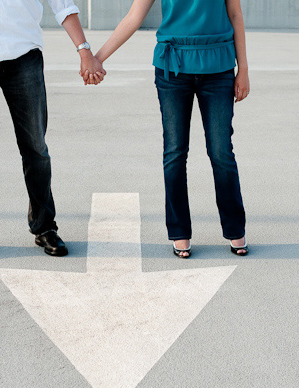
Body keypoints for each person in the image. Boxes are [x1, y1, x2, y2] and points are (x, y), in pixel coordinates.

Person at [0, 0, 105, 262]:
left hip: (23, 59)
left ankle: (44, 227)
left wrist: (84, 51)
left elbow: (64, 5)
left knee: (35, 148)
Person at [95, 0, 250, 258]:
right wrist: (97, 58)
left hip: (219, 68)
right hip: (173, 69)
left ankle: (235, 227)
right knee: (175, 152)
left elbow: (235, 14)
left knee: (222, 152)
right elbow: (134, 17)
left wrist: (243, 69)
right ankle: (179, 231)